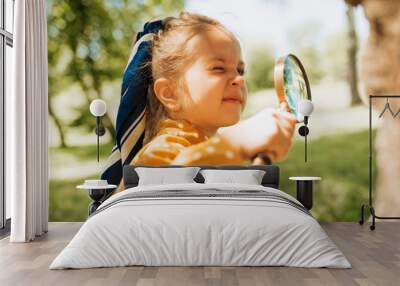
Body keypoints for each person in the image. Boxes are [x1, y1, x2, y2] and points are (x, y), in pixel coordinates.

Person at [101, 11, 297, 195]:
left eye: (240, 70)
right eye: (219, 68)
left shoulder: (204, 144)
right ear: (170, 94)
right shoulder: (162, 149)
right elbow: (171, 191)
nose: (239, 79)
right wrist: (236, 143)